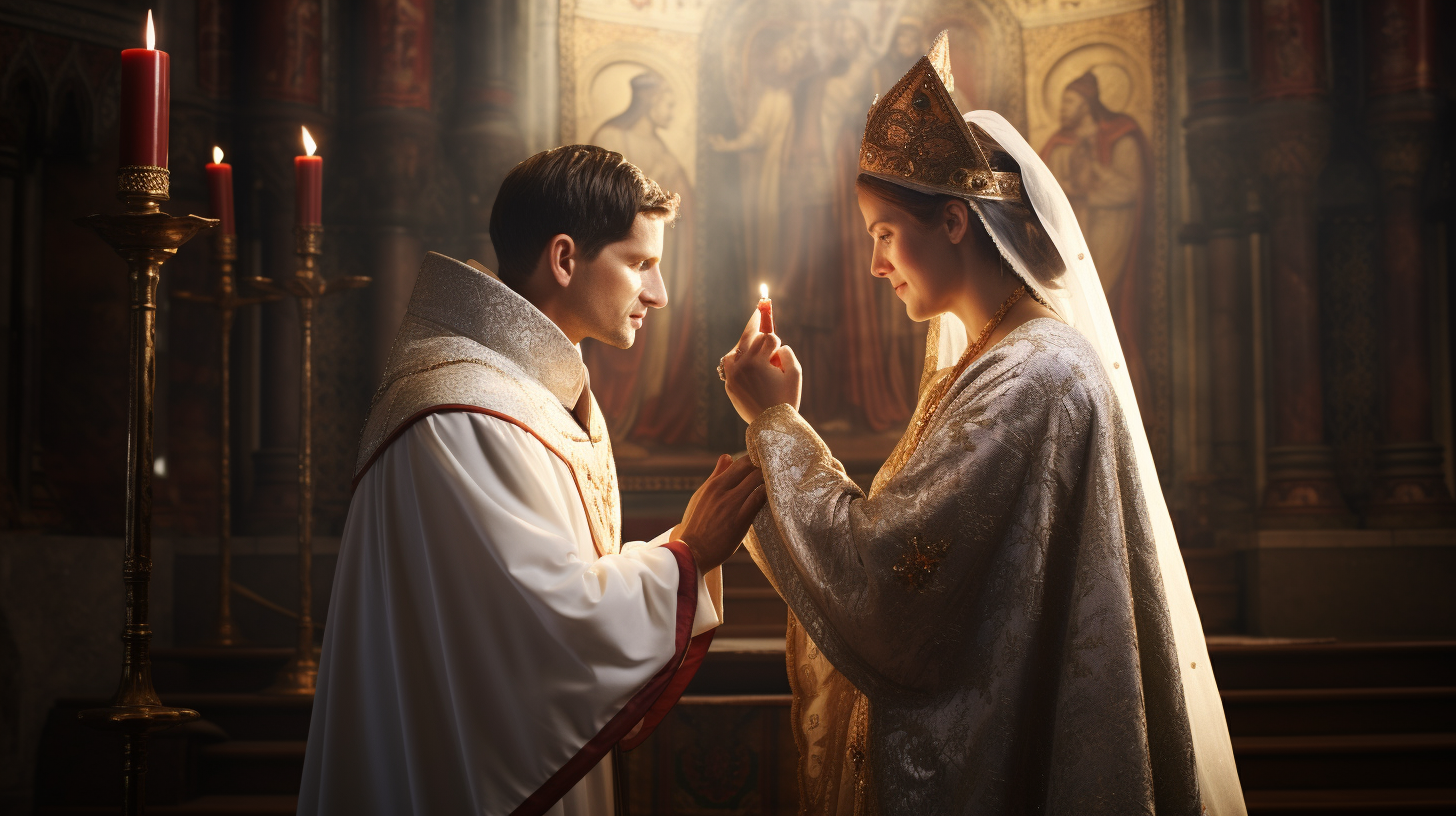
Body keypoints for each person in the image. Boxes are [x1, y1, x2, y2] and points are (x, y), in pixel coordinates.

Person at [719, 33, 1245, 815]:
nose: (877, 265)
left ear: (958, 222)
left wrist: (776, 423)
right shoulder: (992, 360)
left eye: (886, 234)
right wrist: (780, 425)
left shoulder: (1035, 371)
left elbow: (891, 578)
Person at [298, 145, 766, 816]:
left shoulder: (518, 393)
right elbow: (546, 631)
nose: (659, 294)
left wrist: (688, 551)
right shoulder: (466, 414)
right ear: (566, 258)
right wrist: (688, 554)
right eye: (640, 264)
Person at [588, 72, 701, 449]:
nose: (660, 296)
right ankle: (619, 424)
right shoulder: (612, 138)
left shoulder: (663, 148)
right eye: (637, 264)